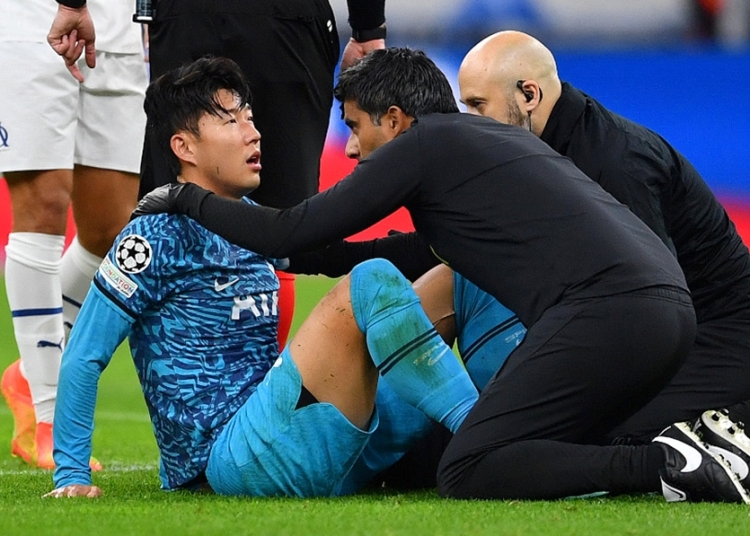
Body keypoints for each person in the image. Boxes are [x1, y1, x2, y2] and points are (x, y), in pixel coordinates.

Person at [133, 47, 748, 502]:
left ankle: (664, 463)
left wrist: (182, 197)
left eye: (355, 126)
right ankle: (695, 451)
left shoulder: (425, 146)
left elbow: (290, 228)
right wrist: (300, 259)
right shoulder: (482, 146)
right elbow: (412, 252)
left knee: (469, 467)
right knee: (538, 444)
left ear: (395, 120)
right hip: (662, 309)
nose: (351, 148)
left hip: (613, 313)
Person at [44, 56, 478, 499]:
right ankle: (482, 434)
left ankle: (504, 423)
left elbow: (336, 254)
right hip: (229, 458)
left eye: (249, 118)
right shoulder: (154, 237)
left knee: (459, 277)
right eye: (231, 121)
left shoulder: (252, 222)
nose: (253, 133)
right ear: (184, 147)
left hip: (289, 432)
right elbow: (84, 354)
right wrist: (71, 475)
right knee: (370, 281)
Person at [456, 30, 750, 450]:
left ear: (529, 95)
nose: (469, 122)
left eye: (477, 105)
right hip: (667, 325)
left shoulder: (614, 163)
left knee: (602, 437)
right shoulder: (533, 147)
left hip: (719, 332)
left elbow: (657, 308)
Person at [47, 0, 388, 350]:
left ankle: (200, 377)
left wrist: (73, 5)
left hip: (188, 18)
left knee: (176, 222)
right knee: (280, 224)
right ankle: (247, 378)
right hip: (284, 24)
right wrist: (369, 28)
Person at [0, 0, 147, 470]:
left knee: (112, 231)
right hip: (32, 20)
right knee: (44, 202)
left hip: (119, 28)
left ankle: (30, 374)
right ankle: (48, 418)